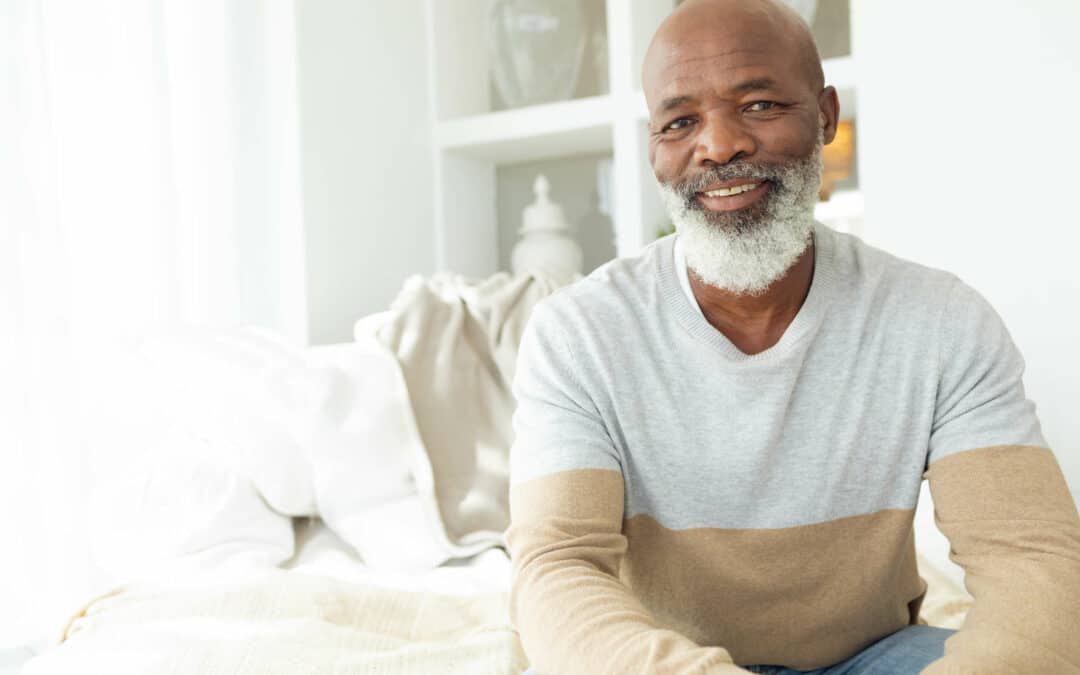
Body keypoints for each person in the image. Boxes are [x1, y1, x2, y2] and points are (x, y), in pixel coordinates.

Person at [505, 0, 1080, 673]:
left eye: (759, 104)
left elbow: (1033, 559)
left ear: (826, 115)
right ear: (654, 149)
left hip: (874, 656)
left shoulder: (942, 321)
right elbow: (555, 567)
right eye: (680, 121)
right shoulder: (579, 334)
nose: (718, 146)